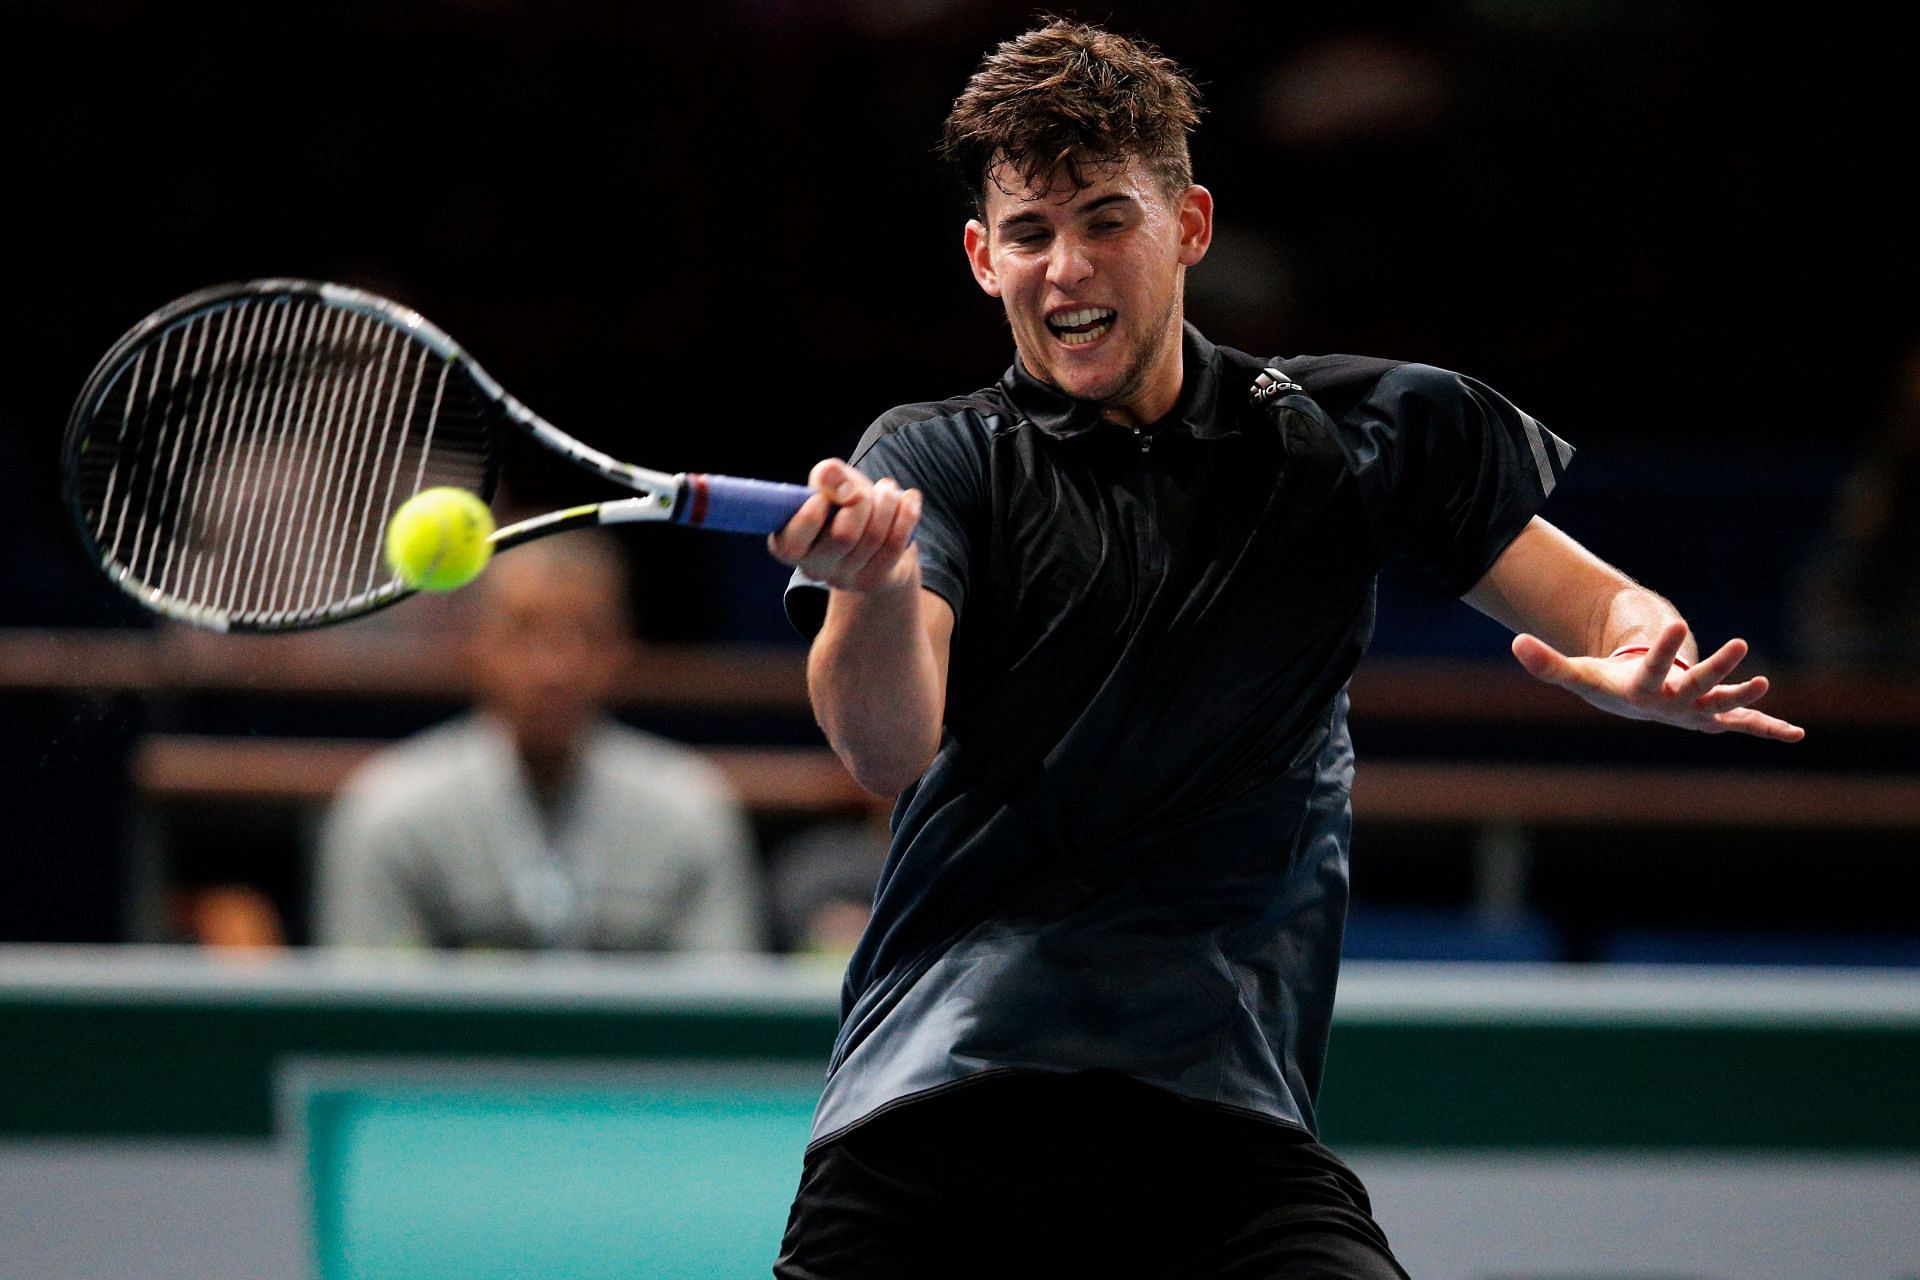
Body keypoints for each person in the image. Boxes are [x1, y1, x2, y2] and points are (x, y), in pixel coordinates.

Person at [764, 19, 1802, 1280]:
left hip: (1220, 1117)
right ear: (984, 259)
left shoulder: (1345, 438)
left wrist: (1644, 665)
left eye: (1106, 218)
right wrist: (871, 589)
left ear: (1190, 224)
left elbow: (1602, 607)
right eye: (1030, 234)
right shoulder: (935, 459)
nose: (1065, 267)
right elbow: (884, 746)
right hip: (941, 1100)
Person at [316, 532, 763, 952]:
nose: (556, 668)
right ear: (476, 647)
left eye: (586, 634)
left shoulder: (691, 810)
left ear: (622, 649)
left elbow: (720, 1015)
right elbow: (371, 1021)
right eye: (525, 632)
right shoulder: (390, 814)